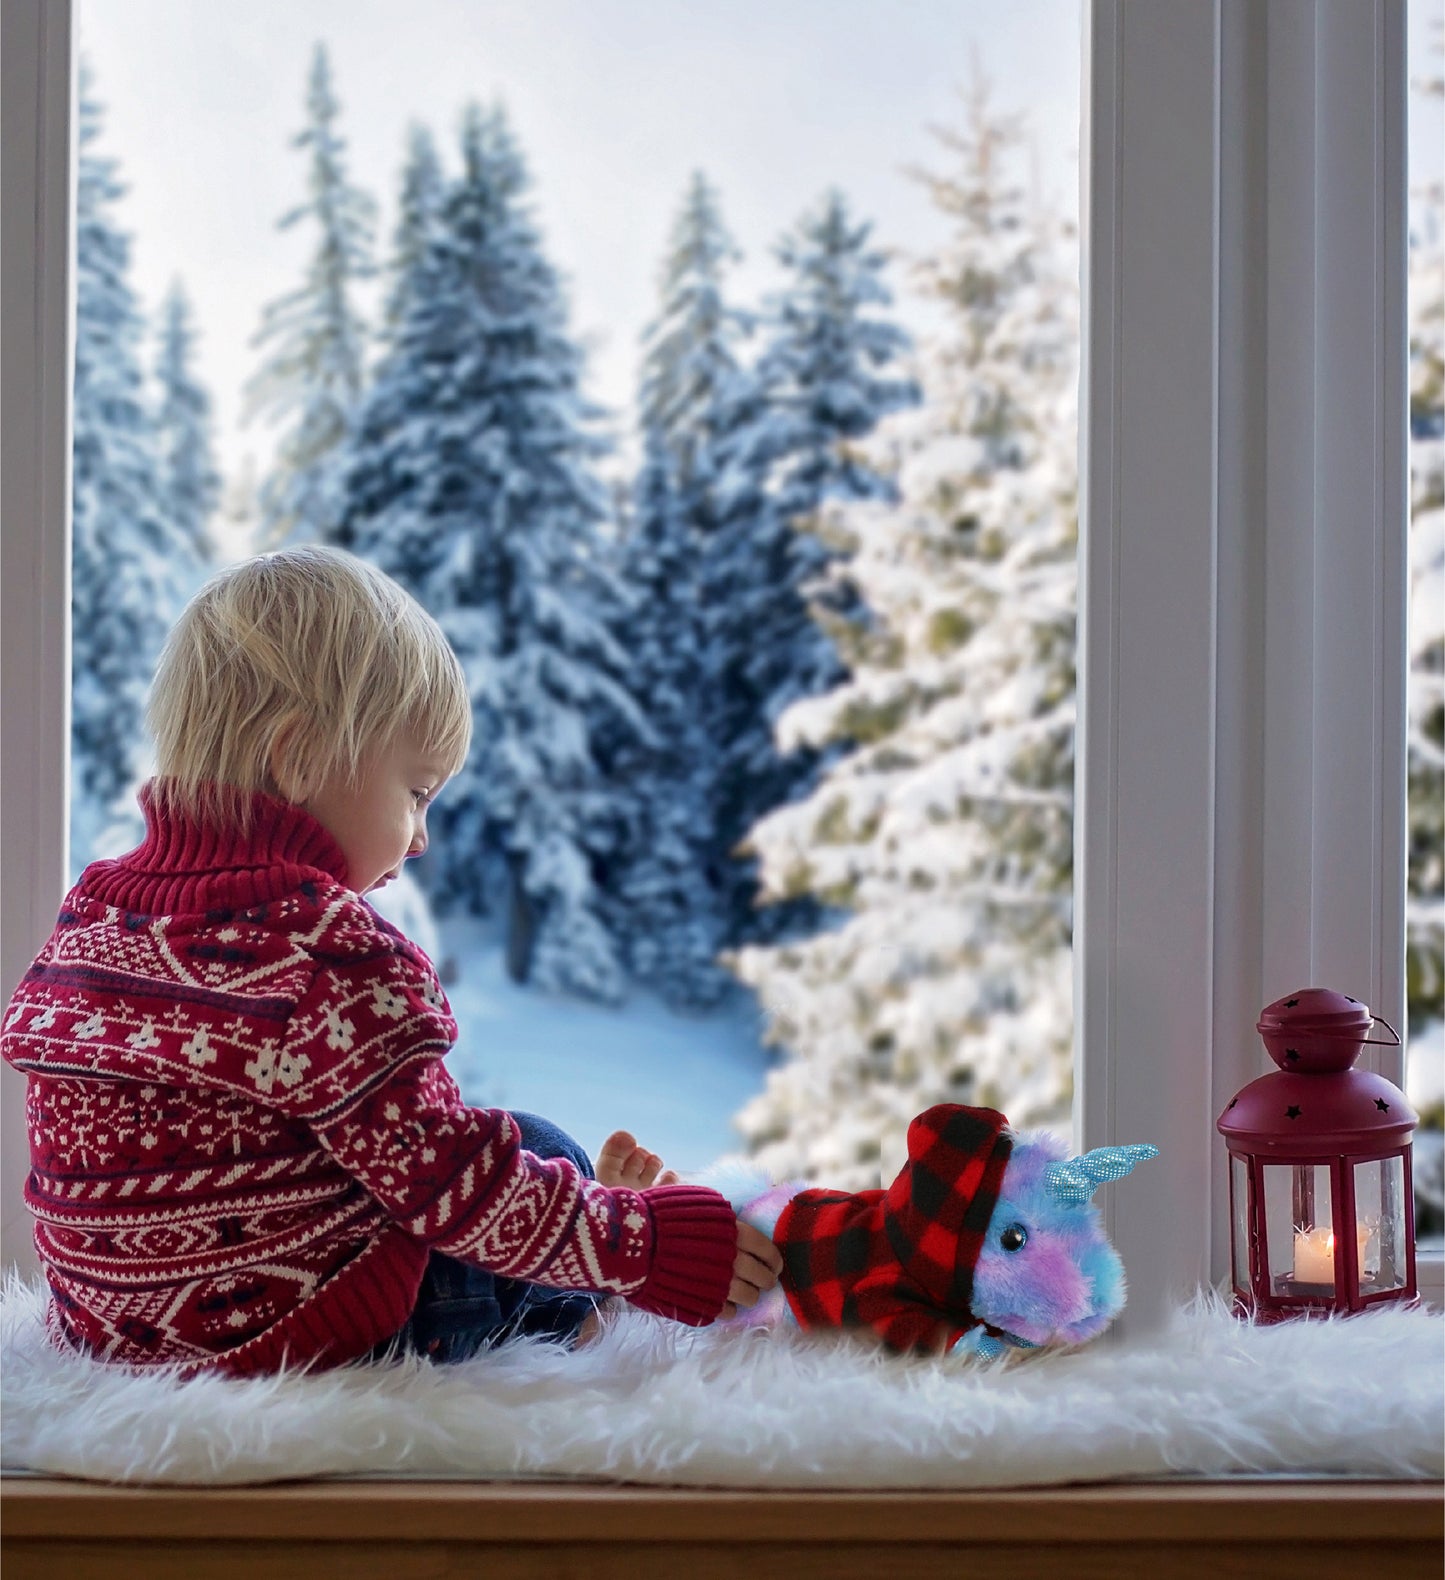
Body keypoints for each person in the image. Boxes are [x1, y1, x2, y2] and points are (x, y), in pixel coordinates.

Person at [1, 546, 781, 1374]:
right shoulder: (331, 954)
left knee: (463, 1153)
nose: (419, 838)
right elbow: (454, 1188)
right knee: (537, 1146)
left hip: (108, 1331)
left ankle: (585, 1240)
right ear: (297, 757)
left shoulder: (94, 912)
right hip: (304, 1334)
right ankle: (587, 1296)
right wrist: (649, 1247)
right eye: (414, 793)